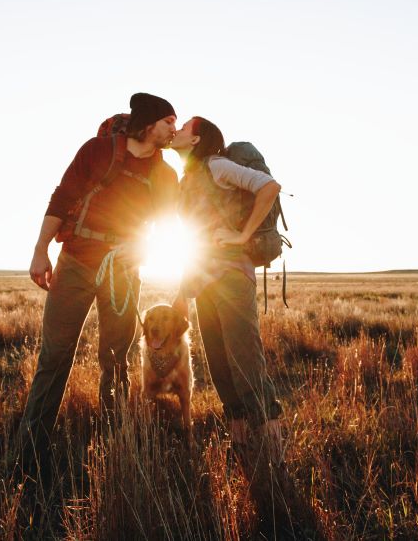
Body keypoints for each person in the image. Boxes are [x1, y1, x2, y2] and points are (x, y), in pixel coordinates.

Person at [19, 93, 179, 489]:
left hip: (123, 271)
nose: (174, 130)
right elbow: (63, 196)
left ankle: (114, 450)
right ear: (149, 124)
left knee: (115, 362)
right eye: (169, 122)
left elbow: (166, 228)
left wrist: (138, 251)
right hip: (75, 262)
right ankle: (26, 456)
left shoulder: (165, 176)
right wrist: (40, 250)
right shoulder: (97, 151)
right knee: (54, 358)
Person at [170, 116, 297, 532]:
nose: (176, 131)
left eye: (183, 127)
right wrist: (183, 289)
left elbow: (269, 187)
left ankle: (276, 470)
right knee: (224, 374)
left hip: (231, 276)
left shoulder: (216, 166)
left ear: (197, 138)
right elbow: (192, 237)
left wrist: (242, 237)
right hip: (205, 280)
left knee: (246, 369)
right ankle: (248, 463)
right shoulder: (186, 180)